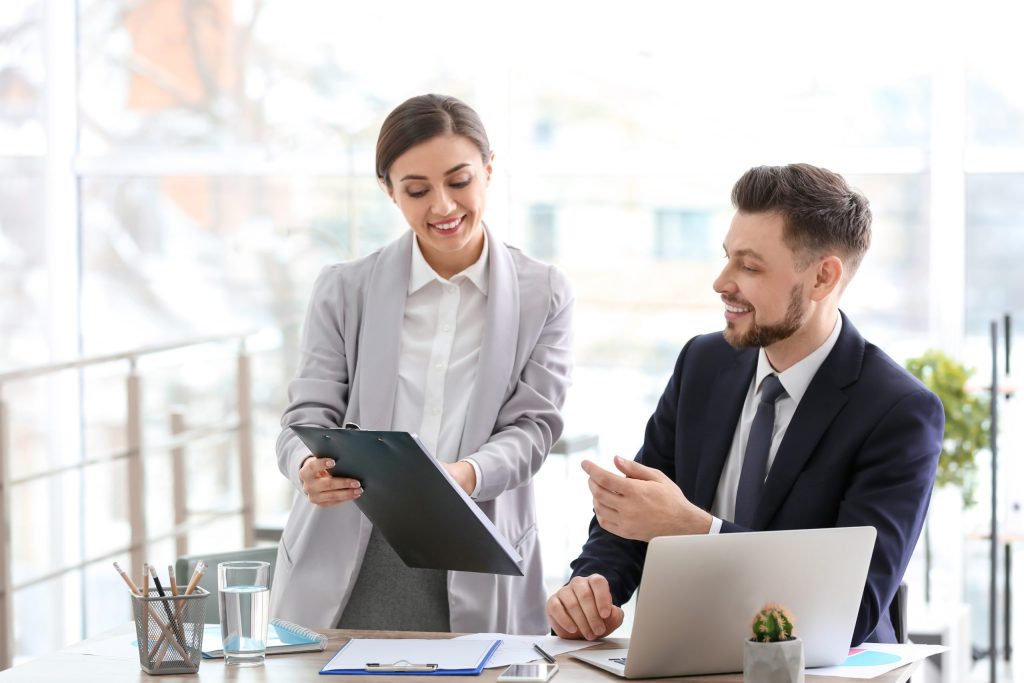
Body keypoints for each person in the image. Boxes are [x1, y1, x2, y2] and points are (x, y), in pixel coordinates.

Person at [546, 164, 943, 646]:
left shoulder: (898, 412)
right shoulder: (703, 363)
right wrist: (592, 587)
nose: (721, 282)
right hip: (688, 657)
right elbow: (637, 516)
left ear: (823, 278)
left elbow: (850, 606)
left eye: (749, 266)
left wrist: (697, 530)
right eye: (727, 259)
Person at [270, 94, 573, 635]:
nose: (443, 207)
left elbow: (534, 427)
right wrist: (305, 468)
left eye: (459, 182)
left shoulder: (542, 293)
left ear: (488, 168)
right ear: (389, 191)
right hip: (350, 553)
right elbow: (304, 419)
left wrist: (464, 476)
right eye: (416, 190)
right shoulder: (344, 288)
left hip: (475, 544)